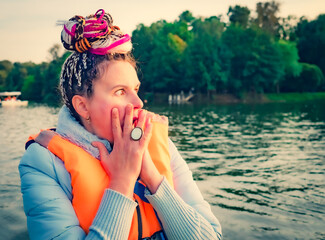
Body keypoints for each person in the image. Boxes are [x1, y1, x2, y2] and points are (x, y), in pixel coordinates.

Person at [19, 9, 222, 240]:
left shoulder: (162, 144)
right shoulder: (42, 162)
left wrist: (151, 175)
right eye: (120, 91)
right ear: (83, 106)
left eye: (135, 89)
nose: (138, 102)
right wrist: (123, 180)